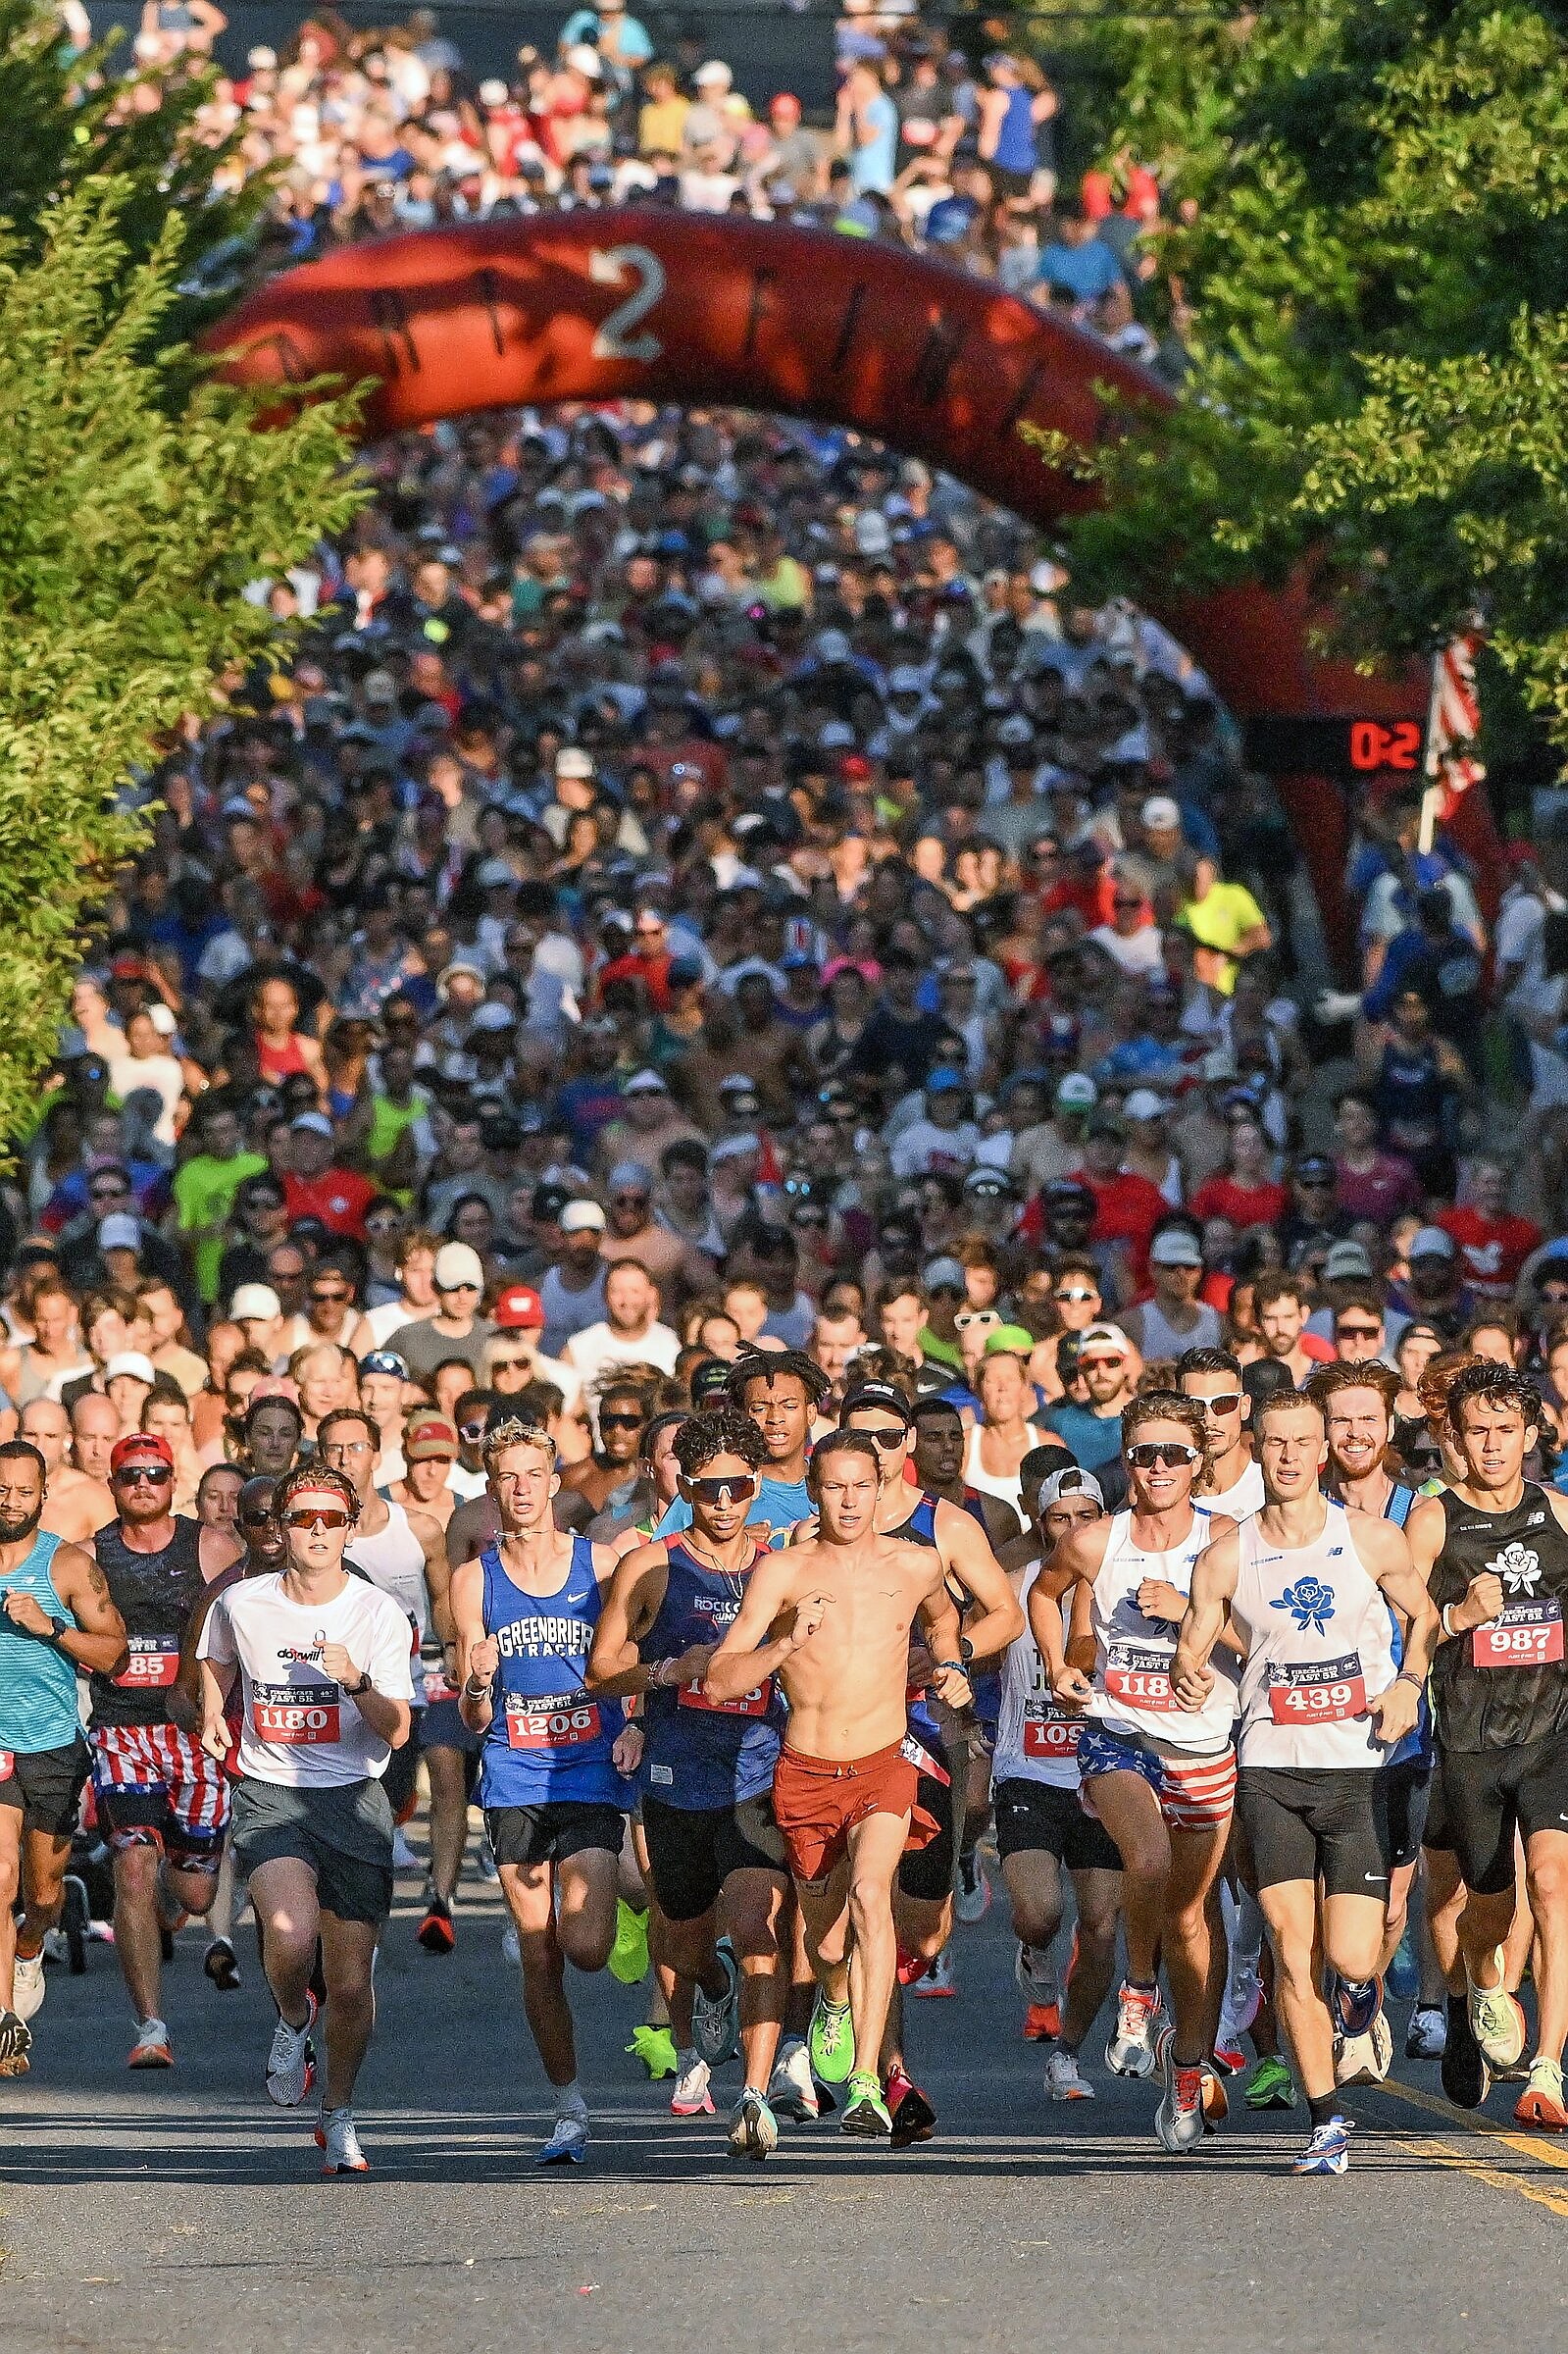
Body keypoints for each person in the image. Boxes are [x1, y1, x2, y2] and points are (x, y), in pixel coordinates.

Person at [1174, 1386, 1436, 2175]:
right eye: (1275, 1443)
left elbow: (1423, 1618)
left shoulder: (1370, 1538)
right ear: (1255, 1447)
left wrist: (1406, 1683)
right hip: (1270, 1770)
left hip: (1355, 1771)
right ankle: (1325, 2122)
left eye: (1302, 1442)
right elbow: (1194, 1641)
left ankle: (1360, 1998)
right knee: (1293, 1950)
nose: (1288, 1456)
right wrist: (1187, 1671)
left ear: (1322, 1450)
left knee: (1353, 1958)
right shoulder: (1227, 1554)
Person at [706, 1431, 972, 2138]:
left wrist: (951, 1665)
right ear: (813, 1491)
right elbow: (720, 1676)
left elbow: (947, 1623)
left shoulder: (916, 1564)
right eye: (834, 1487)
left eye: (862, 1485)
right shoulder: (783, 1573)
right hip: (805, 1773)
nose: (849, 1500)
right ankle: (831, 1998)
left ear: (881, 1487)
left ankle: (864, 2080)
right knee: (824, 1945)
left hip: (885, 1762)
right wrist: (787, 1642)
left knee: (869, 1895)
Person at [1034, 1390, 1238, 2152]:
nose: (1157, 1467)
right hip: (1118, 1730)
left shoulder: (1228, 1540)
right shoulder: (1095, 1540)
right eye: (1144, 1453)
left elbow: (1258, 1640)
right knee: (1143, 1858)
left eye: (1173, 1455)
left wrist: (1189, 1607)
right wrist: (1058, 1664)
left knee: (1190, 1921)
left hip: (1203, 1743)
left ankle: (1186, 2071)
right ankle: (1135, 1991)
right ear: (1126, 1458)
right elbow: (1044, 1594)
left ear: (1197, 1462)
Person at [197, 1460, 415, 2174]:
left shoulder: (375, 1612)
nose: (317, 1531)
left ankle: (340, 2113)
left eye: (331, 1520)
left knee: (351, 1984)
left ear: (349, 1527)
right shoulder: (244, 1602)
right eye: (303, 1519)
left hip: (353, 1798)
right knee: (289, 1937)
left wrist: (353, 1680)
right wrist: (210, 1711)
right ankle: (294, 2017)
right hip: (271, 1792)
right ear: (281, 1529)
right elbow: (216, 1657)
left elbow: (397, 1730)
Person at [588, 1408, 794, 2157]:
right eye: (709, 1489)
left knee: (758, 1929)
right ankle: (710, 1993)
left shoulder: (781, 1564)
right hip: (675, 1778)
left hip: (757, 1773)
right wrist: (663, 1671)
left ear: (756, 1485)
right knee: (685, 1940)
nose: (725, 1504)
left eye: (739, 1488)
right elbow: (600, 1670)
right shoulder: (652, 1565)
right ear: (686, 1487)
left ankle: (755, 2093)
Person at [451, 1418, 633, 2166]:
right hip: (515, 1772)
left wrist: (639, 1724)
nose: (521, 1488)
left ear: (555, 1482)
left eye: (533, 1474)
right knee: (538, 1952)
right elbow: (473, 1714)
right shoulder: (474, 1579)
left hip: (588, 1766)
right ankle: (568, 2105)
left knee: (585, 1946)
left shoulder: (600, 1563)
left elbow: (635, 1655)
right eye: (507, 1477)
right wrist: (479, 1683)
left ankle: (653, 1935)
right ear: (491, 1489)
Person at [1405, 1363, 1568, 2127]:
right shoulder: (1434, 1520)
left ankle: (1547, 2067)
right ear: (1458, 1439)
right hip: (1471, 1741)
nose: (1494, 1444)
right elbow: (1402, 1638)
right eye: (1479, 1431)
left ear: (1533, 1435)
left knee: (1554, 1884)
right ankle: (1478, 1981)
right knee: (1488, 1911)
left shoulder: (1560, 1515)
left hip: (1552, 1737)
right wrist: (1457, 1617)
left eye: (1508, 1430)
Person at [87, 1430, 242, 2068]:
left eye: (155, 1474)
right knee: (132, 1866)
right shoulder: (88, 1555)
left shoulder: (209, 1545)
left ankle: (176, 1909)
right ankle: (151, 2026)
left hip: (192, 1734)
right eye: (131, 1475)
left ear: (173, 1482)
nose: (143, 1485)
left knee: (197, 1894)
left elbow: (246, 1627)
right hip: (122, 1731)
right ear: (114, 1484)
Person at [995, 1461, 1124, 2098]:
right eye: (1058, 1518)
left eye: (1085, 1517)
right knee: (1039, 1913)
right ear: (1040, 1525)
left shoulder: (1127, 1590)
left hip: (1104, 1773)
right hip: (1029, 1770)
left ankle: (1067, 2054)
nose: (1073, 1529)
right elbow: (959, 1644)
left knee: (1100, 1924)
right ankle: (1035, 1955)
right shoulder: (1015, 1585)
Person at [0, 1439, 128, 2072]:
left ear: (42, 1497)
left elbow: (116, 1655)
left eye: (23, 1491)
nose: (9, 1502)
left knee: (42, 1888)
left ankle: (29, 1948)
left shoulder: (69, 1566)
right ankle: (4, 2022)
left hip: (51, 1742)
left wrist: (49, 1628)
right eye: (1, 1489)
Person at [316, 1409, 455, 1949]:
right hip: (340, 1693)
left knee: (444, 1768)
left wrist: (461, 1653)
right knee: (365, 1811)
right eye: (333, 1448)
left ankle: (440, 1897)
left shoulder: (416, 1529)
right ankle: (351, 1915)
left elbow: (442, 1600)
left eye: (355, 1447)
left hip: (416, 1684)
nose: (344, 1458)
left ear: (377, 1455)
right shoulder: (316, 1533)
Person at [1179, 1347, 1265, 1518]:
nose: (1210, 1420)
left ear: (1244, 1407)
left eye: (1224, 1403)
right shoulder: (1163, 1484)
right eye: (1195, 1406)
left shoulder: (1272, 1479)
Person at [20, 1395, 114, 1542]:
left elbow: (115, 1557)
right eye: (30, 1435)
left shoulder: (93, 1498)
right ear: (17, 1437)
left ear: (67, 1440)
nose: (39, 1446)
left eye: (51, 1436)